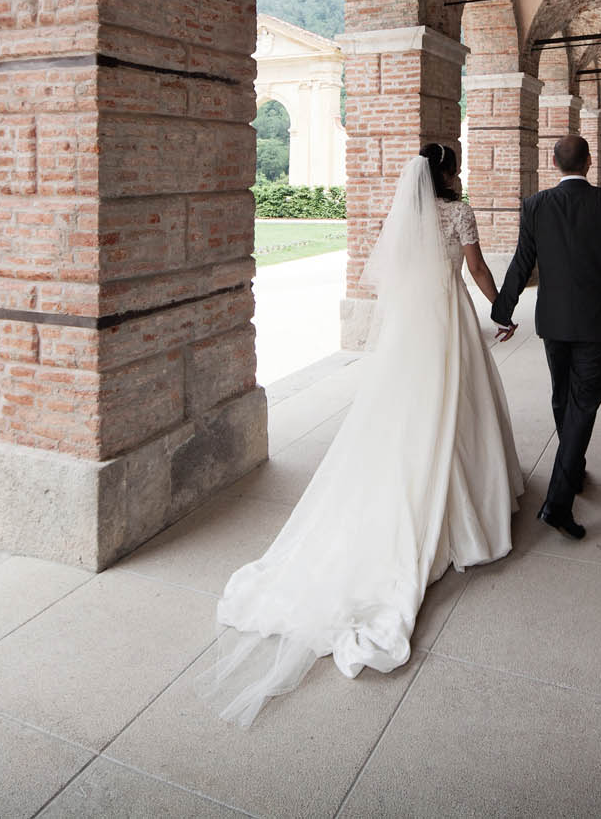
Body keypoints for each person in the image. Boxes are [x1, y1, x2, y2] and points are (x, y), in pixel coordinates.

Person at [197, 144, 522, 728]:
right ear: (446, 173)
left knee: (407, 412)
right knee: (458, 407)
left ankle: (415, 477)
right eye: (457, 165)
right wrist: (501, 307)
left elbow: (389, 275)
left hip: (411, 331)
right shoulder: (459, 213)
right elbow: (474, 270)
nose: (460, 173)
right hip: (448, 324)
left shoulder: (404, 216)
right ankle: (464, 496)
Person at [491, 133, 601, 540]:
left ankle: (572, 469)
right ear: (589, 162)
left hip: (554, 322)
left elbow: (522, 262)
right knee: (585, 401)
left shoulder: (536, 205)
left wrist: (502, 313)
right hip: (596, 322)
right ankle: (558, 503)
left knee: (564, 395)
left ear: (553, 164)